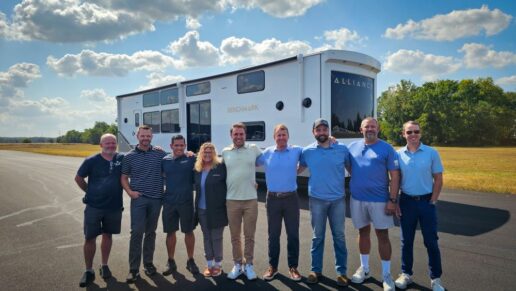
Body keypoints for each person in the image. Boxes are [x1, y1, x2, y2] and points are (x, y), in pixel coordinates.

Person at [347, 117, 400, 291]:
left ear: (378, 128)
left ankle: (386, 275)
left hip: (380, 200)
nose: (370, 129)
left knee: (382, 236)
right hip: (357, 199)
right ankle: (365, 268)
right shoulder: (352, 147)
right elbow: (350, 167)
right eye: (366, 126)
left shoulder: (387, 148)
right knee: (363, 233)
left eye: (373, 126)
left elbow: (395, 176)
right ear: (360, 129)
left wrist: (392, 200)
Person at [299, 118, 350, 287]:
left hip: (338, 200)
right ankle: (315, 270)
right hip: (317, 200)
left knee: (339, 237)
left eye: (324, 129)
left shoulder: (342, 149)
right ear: (314, 132)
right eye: (318, 130)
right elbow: (297, 167)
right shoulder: (307, 151)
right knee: (317, 237)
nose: (321, 132)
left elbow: (352, 169)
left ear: (329, 131)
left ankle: (341, 272)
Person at [394, 121, 445, 291]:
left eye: (416, 131)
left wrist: (433, 200)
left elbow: (438, 178)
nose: (413, 135)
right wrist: (395, 202)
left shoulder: (431, 152)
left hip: (426, 202)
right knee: (406, 241)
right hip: (406, 202)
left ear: (420, 133)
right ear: (403, 134)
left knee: (431, 241)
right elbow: (396, 180)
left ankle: (436, 278)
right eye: (409, 132)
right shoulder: (398, 154)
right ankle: (406, 274)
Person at [75, 133, 124, 287]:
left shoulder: (121, 159)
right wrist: (89, 192)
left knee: (108, 235)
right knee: (89, 238)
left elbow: (139, 154)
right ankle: (88, 270)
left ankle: (104, 265)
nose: (111, 145)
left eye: (113, 143)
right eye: (107, 143)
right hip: (94, 207)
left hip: (114, 207)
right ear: (101, 145)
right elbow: (78, 178)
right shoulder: (91, 160)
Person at [257, 124, 302, 281]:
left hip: (291, 198)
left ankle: (293, 267)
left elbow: (311, 155)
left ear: (288, 136)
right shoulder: (267, 152)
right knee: (273, 235)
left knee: (293, 234)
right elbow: (252, 163)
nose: (281, 137)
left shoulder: (297, 150)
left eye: (284, 135)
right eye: (278, 135)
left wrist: (331, 139)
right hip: (273, 199)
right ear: (274, 137)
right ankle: (273, 267)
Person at [121, 125, 166, 283]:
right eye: (143, 136)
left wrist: (188, 153)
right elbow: (124, 177)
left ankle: (148, 264)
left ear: (152, 137)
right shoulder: (129, 156)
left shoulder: (159, 153)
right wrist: (129, 192)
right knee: (137, 232)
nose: (145, 138)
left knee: (151, 232)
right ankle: (133, 269)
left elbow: (173, 161)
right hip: (139, 199)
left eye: (148, 136)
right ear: (137, 136)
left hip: (156, 199)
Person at [222, 122, 262, 281]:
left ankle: (249, 265)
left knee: (249, 236)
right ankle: (238, 264)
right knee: (235, 236)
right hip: (232, 200)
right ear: (231, 135)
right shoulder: (225, 152)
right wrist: (190, 153)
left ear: (245, 135)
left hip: (251, 200)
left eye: (241, 134)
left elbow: (272, 156)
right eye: (236, 134)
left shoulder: (254, 149)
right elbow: (209, 161)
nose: (238, 137)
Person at [160, 135, 199, 275]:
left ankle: (190, 260)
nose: (179, 148)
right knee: (170, 232)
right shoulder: (164, 160)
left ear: (185, 145)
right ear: (171, 146)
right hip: (169, 202)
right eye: (176, 145)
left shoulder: (191, 159)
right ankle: (170, 261)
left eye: (181, 145)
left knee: (189, 231)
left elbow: (207, 161)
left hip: (186, 202)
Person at [194, 143, 228, 277]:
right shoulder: (197, 169)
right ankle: (209, 264)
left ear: (214, 153)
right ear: (201, 154)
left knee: (216, 238)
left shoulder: (220, 167)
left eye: (210, 152)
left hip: (218, 209)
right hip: (202, 210)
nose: (207, 154)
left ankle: (218, 265)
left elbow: (230, 183)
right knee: (207, 237)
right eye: (204, 152)